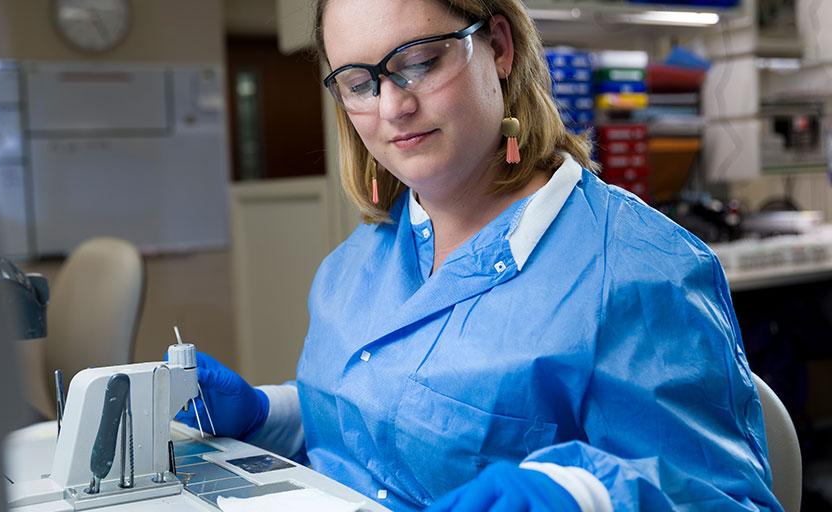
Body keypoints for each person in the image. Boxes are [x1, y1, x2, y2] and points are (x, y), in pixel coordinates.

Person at [176, 0, 782, 510]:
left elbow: (730, 500)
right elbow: (381, 421)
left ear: (499, 46)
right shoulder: (354, 264)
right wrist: (269, 415)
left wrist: (585, 494)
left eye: (419, 62)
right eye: (359, 84)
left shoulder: (640, 271)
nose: (391, 107)